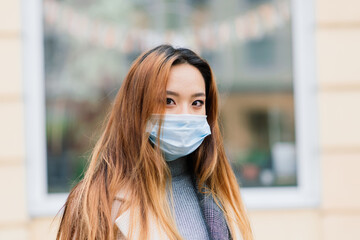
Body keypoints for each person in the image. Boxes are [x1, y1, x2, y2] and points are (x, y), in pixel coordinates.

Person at [56, 45, 253, 240]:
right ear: (137, 107)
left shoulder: (220, 194)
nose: (185, 114)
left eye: (197, 103)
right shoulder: (96, 203)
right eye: (168, 101)